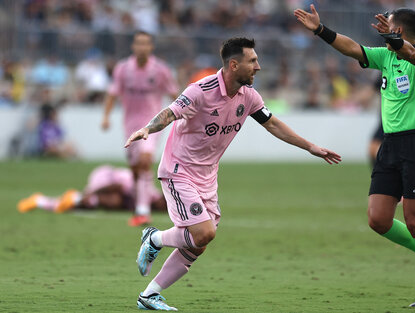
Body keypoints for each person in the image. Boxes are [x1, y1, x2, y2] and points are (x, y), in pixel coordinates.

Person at [125, 37, 342, 311]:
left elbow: (272, 124)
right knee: (202, 233)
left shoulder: (249, 96)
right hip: (179, 170)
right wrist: (148, 128)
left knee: (197, 244)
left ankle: (149, 295)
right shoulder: (200, 91)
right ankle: (154, 238)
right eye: (253, 61)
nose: (258, 67)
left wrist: (310, 146)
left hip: (208, 176)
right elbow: (170, 113)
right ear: (234, 64)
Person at [294, 5, 415, 307]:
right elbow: (353, 49)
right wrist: (319, 30)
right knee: (378, 219)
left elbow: (413, 55)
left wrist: (394, 41)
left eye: (388, 26)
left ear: (399, 31)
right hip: (390, 145)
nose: (381, 29)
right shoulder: (386, 56)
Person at [102, 31, 179, 227]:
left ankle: (143, 211)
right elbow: (112, 94)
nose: (142, 47)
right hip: (130, 124)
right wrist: (106, 117)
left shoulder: (160, 70)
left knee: (145, 161)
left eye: (146, 44)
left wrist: (183, 117)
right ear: (133, 46)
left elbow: (174, 95)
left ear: (151, 47)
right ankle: (140, 200)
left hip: (152, 123)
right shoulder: (123, 69)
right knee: (135, 169)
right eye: (139, 43)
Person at [17, 165, 166, 214]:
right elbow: (117, 186)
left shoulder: (148, 203)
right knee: (111, 200)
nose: (162, 209)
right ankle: (76, 198)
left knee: (114, 202)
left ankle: (40, 201)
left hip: (109, 183)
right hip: (104, 177)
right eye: (164, 206)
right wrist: (91, 193)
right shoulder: (147, 192)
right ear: (161, 199)